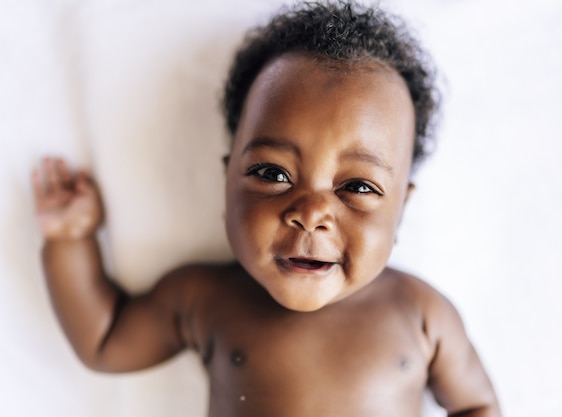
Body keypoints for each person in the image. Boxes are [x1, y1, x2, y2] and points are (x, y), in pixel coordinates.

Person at [32, 1, 501, 416]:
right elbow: (105, 340)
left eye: (357, 185)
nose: (311, 212)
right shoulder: (207, 299)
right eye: (273, 174)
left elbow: (477, 403)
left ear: (401, 210)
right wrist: (70, 238)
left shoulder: (421, 314)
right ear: (227, 181)